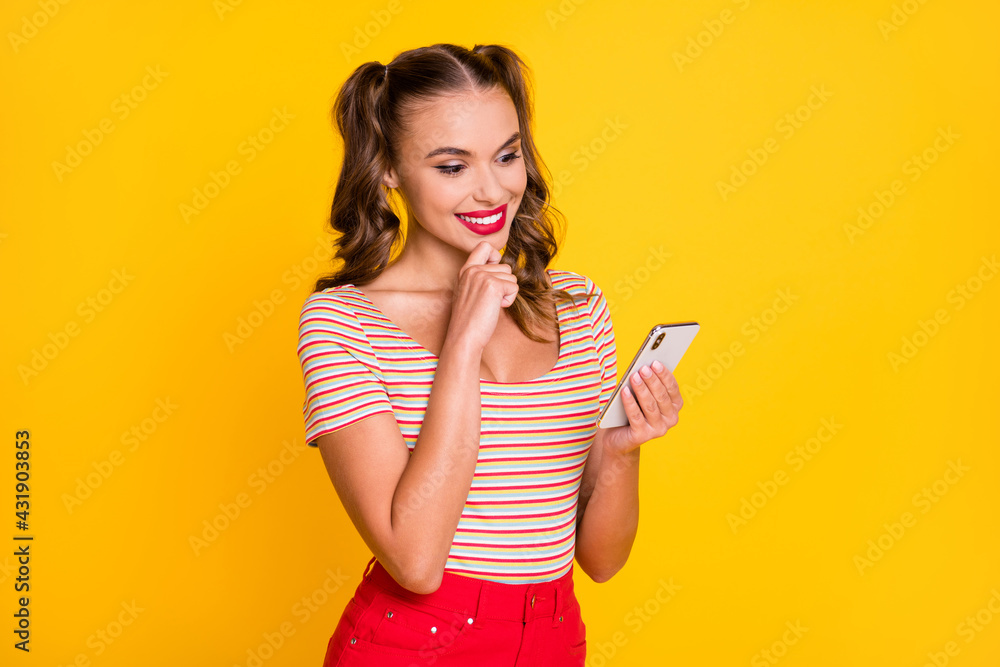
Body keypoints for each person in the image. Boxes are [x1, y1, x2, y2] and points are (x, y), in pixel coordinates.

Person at [296, 42, 684, 667]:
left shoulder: (581, 307)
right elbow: (416, 562)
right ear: (389, 169)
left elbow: (602, 561)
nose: (491, 189)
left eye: (506, 155)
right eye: (452, 167)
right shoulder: (345, 323)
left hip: (555, 639)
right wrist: (462, 343)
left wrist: (620, 450)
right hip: (413, 644)